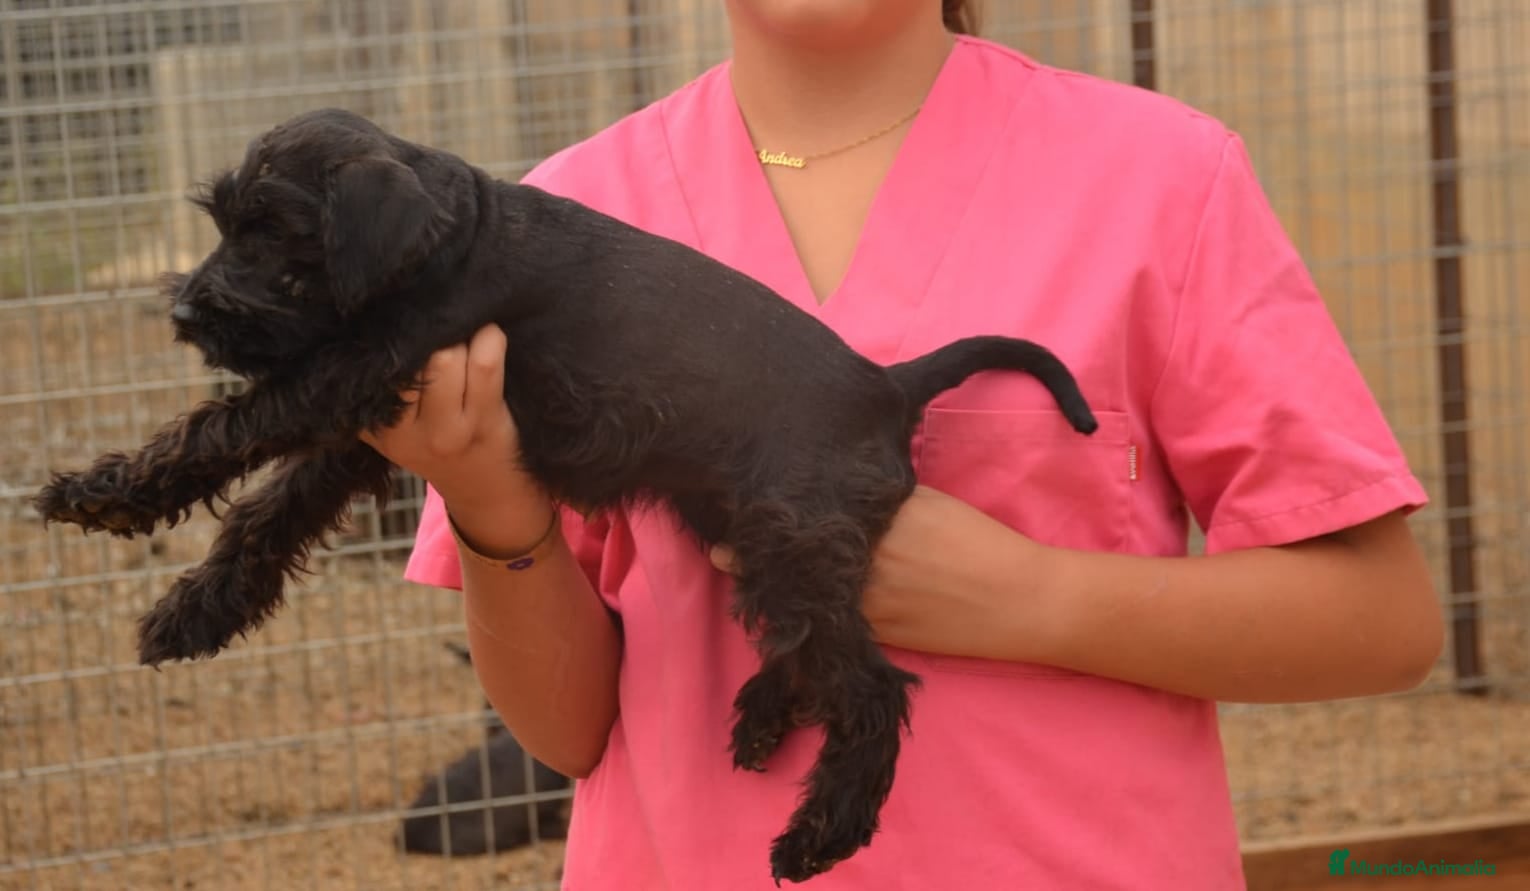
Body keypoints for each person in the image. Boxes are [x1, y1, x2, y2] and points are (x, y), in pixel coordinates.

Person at [362, 1, 1444, 887]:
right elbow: (568, 733)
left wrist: (1034, 596)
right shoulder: (563, 215)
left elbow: (1382, 620)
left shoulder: (1163, 180)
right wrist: (487, 504)